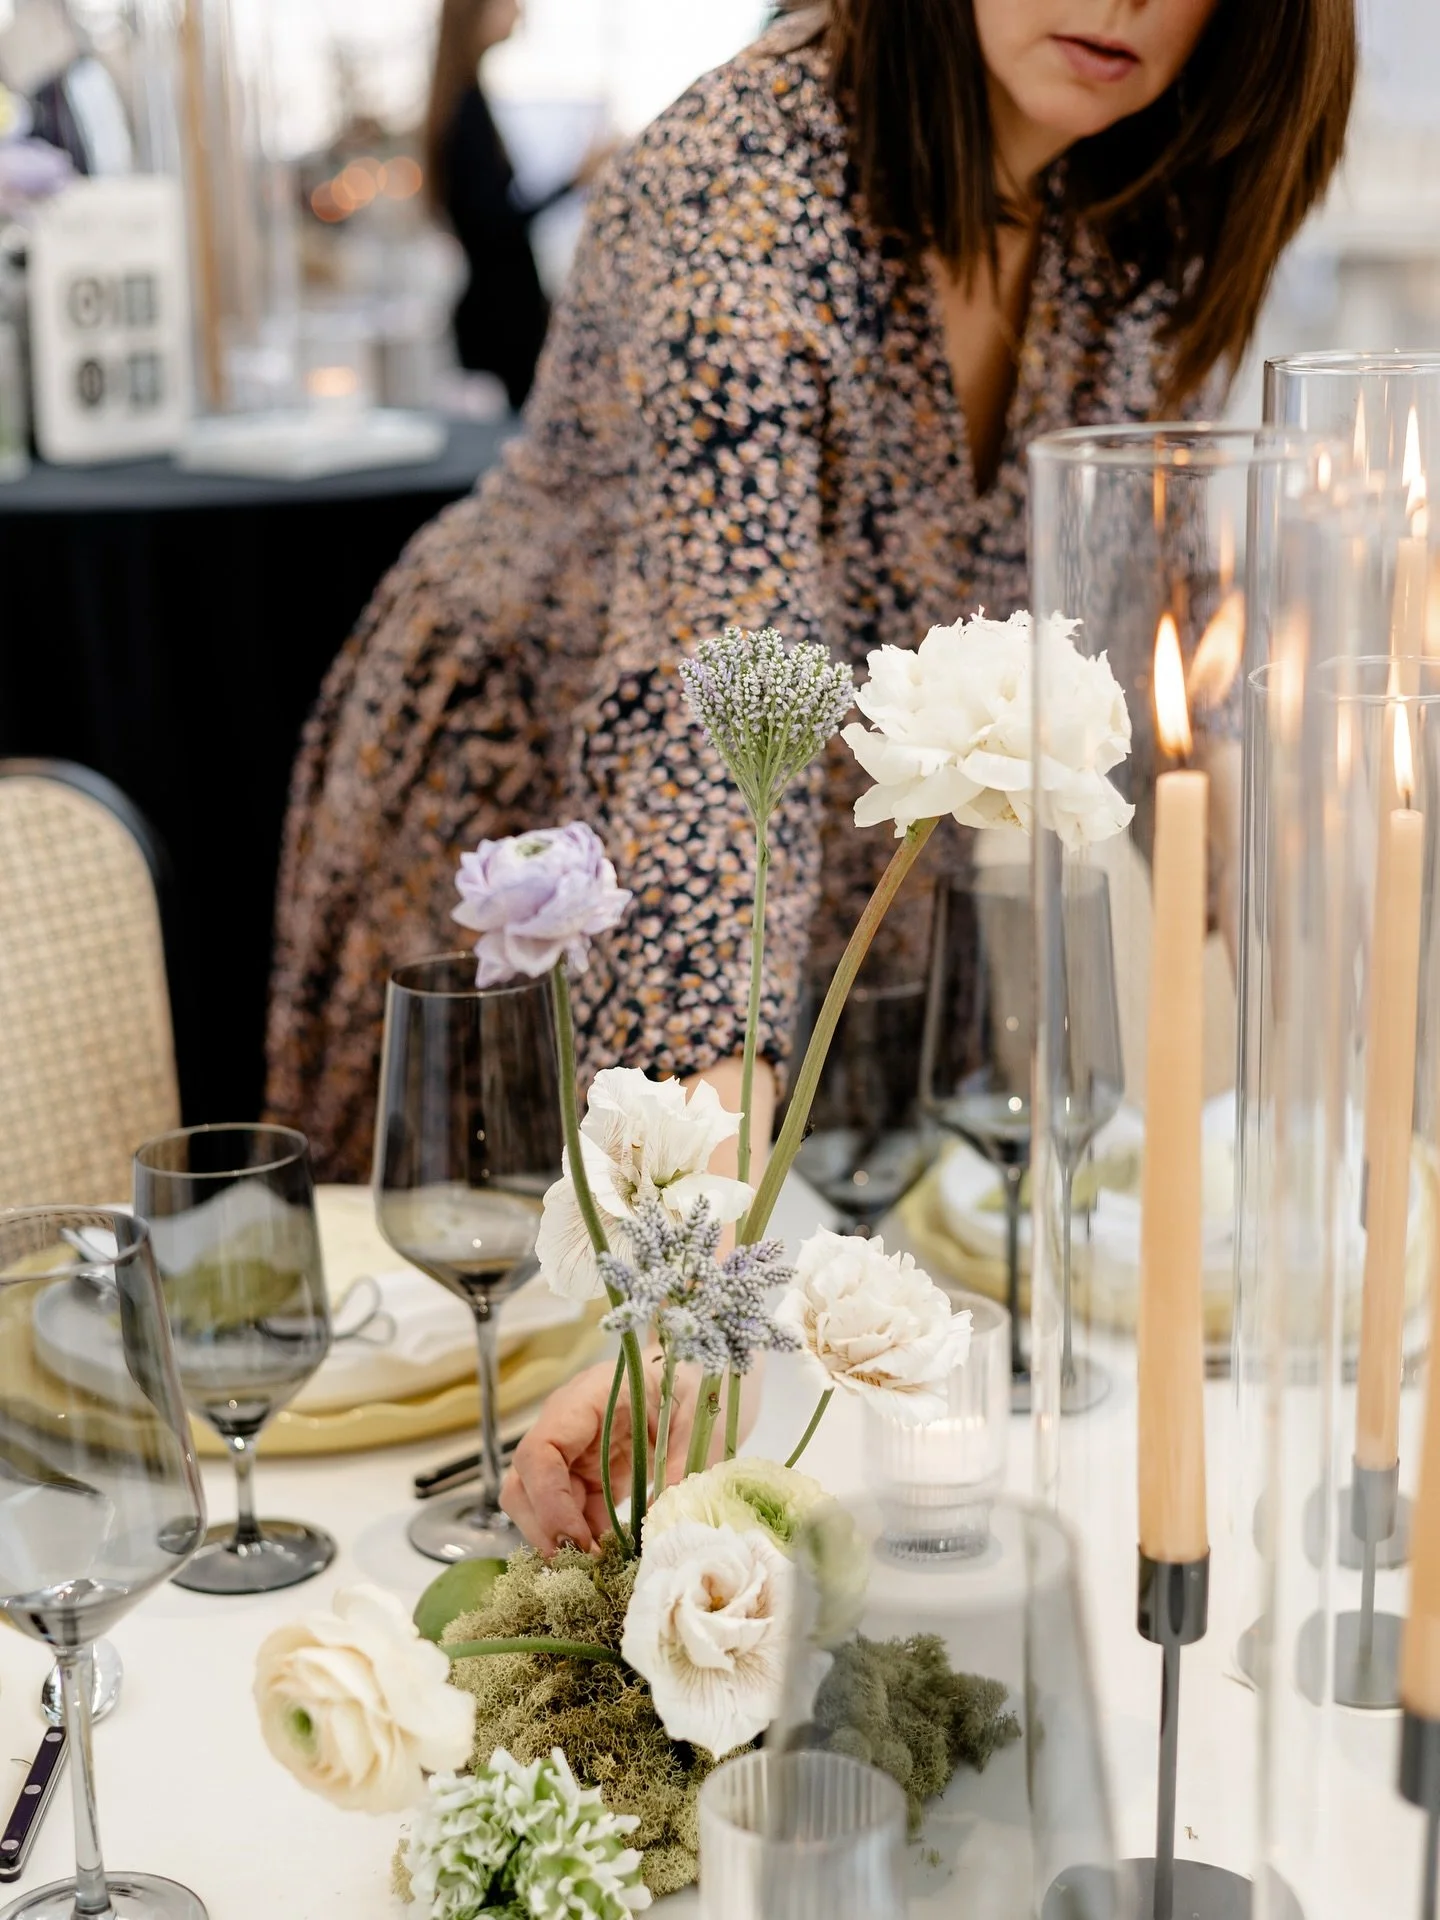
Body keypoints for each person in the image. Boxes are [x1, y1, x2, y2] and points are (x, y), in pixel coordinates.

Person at [267, 0, 1356, 1551]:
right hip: (545, 846)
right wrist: (688, 1303)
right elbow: (723, 742)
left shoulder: (1127, 207)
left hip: (848, 906)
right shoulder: (750, 180)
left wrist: (1323, 1021)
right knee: (455, 1434)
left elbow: (1173, 646)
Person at [424, 0, 588, 409]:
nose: (519, 11)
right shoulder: (466, 110)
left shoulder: (465, 101)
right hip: (501, 322)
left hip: (501, 314)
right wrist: (575, 179)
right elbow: (496, 224)